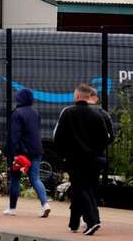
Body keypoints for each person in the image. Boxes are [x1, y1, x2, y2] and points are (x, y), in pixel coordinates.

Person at [54, 84, 113, 236]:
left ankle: (92, 220)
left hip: (74, 158)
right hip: (93, 158)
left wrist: (64, 154)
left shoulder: (68, 113)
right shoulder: (98, 115)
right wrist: (96, 151)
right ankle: (83, 221)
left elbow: (58, 137)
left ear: (78, 96)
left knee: (79, 189)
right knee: (89, 189)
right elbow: (105, 137)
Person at [3, 88, 51, 218]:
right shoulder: (35, 112)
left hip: (21, 152)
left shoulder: (17, 113)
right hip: (36, 150)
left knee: (15, 178)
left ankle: (12, 208)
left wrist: (11, 154)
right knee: (35, 178)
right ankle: (45, 204)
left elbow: (14, 136)